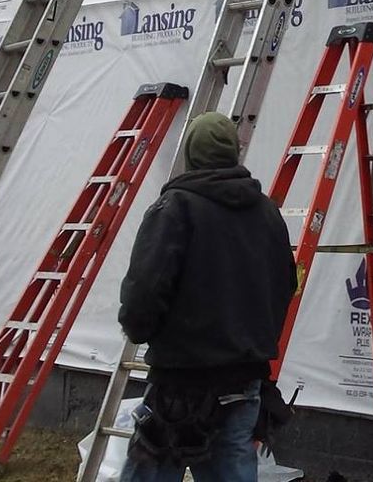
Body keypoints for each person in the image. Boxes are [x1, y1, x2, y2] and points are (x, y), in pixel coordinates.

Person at [117, 112, 296, 482]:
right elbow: (284, 286)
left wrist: (139, 330)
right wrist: (250, 342)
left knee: (153, 469)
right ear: (233, 153)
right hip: (242, 382)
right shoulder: (267, 214)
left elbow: (144, 292)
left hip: (179, 386)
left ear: (191, 154)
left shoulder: (175, 209)